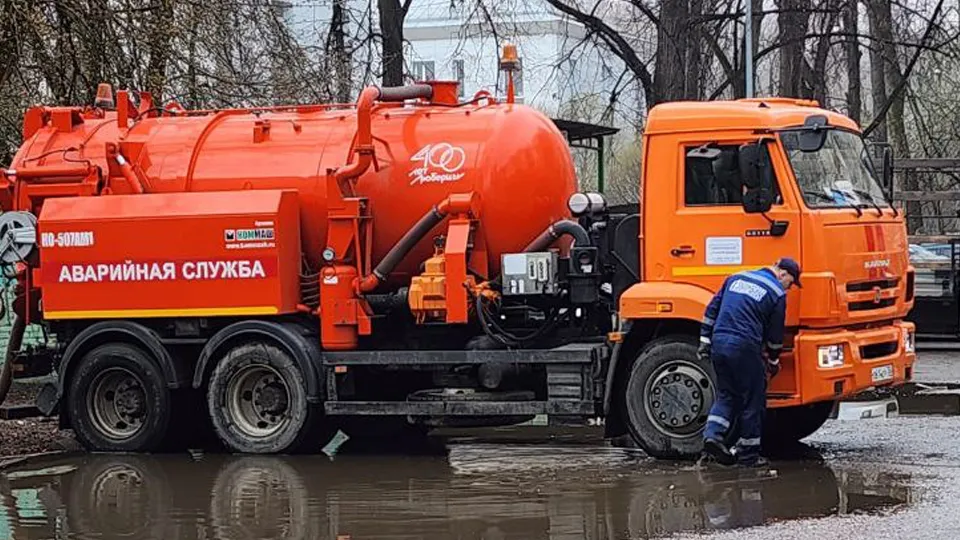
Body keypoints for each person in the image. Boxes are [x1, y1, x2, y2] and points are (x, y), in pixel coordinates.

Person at [698, 257, 802, 467]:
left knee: (726, 394)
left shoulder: (736, 277)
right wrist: (773, 360)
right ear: (781, 273)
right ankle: (748, 456)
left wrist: (705, 341)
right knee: (752, 400)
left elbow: (711, 310)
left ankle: (712, 437)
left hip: (719, 341)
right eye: (790, 283)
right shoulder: (776, 293)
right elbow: (774, 335)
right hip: (744, 346)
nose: (788, 288)